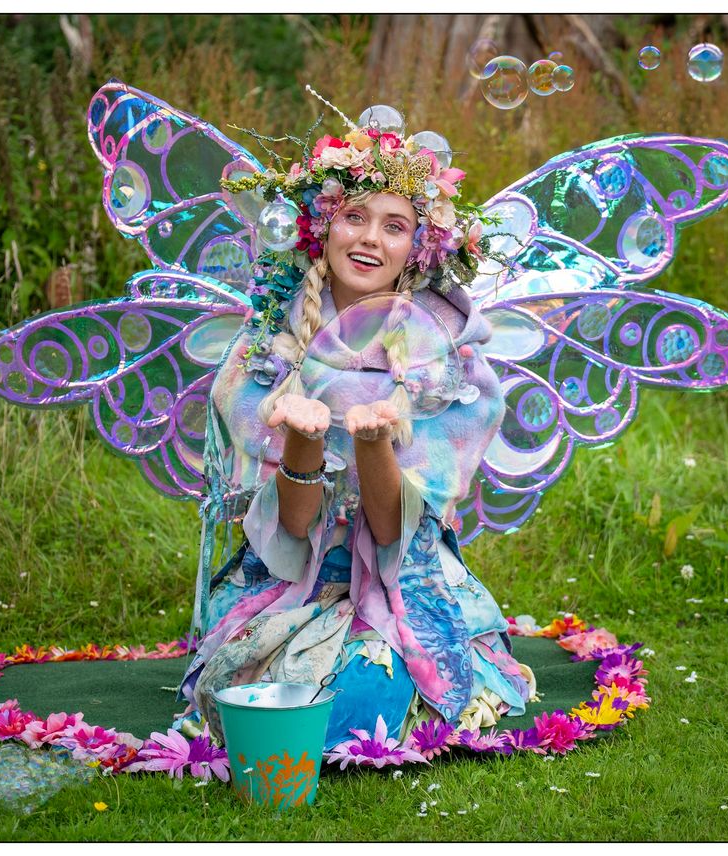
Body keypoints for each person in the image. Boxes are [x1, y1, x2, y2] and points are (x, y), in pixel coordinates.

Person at [179, 113, 537, 755]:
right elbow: (292, 529)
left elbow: (395, 530)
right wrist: (304, 441)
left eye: (394, 226)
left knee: (362, 703)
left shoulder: (445, 357)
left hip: (403, 573)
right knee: (264, 694)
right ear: (321, 227)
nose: (370, 240)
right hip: (296, 579)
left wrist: (373, 442)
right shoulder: (268, 344)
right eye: (354, 217)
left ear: (421, 246)